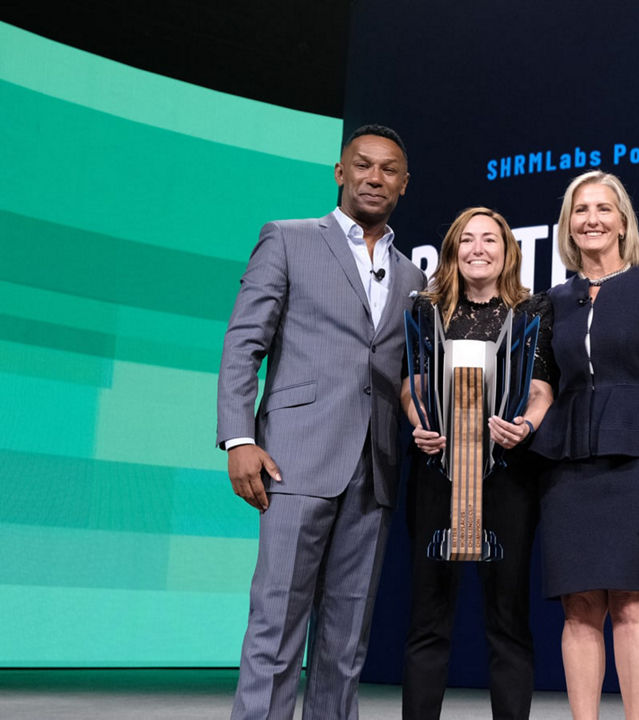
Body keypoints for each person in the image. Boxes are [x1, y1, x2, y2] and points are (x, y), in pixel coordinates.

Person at [216, 124, 422, 720]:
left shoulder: (413, 278)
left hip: (376, 468)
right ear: (340, 172)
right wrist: (239, 437)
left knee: (345, 641)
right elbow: (243, 344)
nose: (374, 177)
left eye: (388, 170)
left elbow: (404, 374)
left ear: (404, 185)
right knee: (276, 626)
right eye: (363, 166)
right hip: (295, 457)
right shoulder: (287, 239)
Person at [531, 170, 639, 720]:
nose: (592, 220)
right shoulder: (553, 302)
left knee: (633, 602)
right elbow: (544, 387)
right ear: (568, 225)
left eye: (603, 209)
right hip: (569, 468)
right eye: (580, 211)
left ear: (623, 221)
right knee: (579, 607)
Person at [401, 207, 556, 720]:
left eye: (490, 240)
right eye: (466, 240)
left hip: (509, 476)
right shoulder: (426, 309)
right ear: (452, 251)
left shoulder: (534, 310)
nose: (478, 249)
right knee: (429, 616)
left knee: (508, 618)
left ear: (507, 251)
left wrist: (526, 427)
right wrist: (418, 420)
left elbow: (540, 388)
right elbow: (413, 382)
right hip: (436, 471)